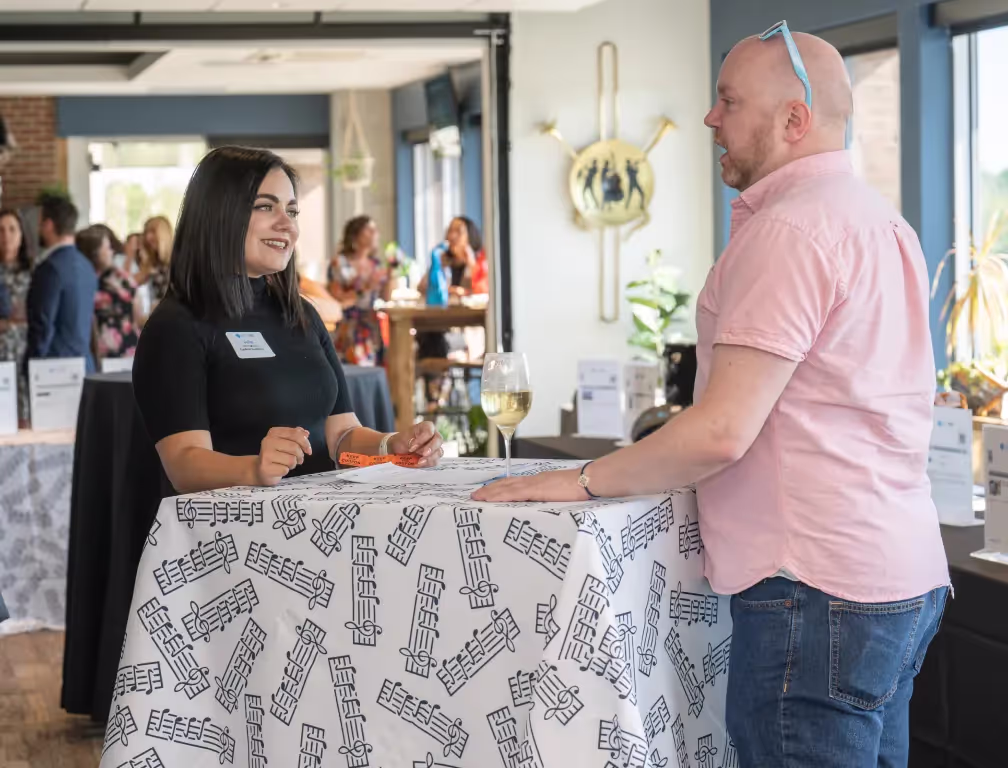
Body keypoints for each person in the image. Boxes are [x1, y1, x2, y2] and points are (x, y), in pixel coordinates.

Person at [474, 27, 949, 768]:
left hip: (814, 586)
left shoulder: (791, 230)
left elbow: (722, 430)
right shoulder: (879, 220)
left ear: (794, 120)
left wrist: (578, 480)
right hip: (898, 574)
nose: (709, 118)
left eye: (728, 100)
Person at [132, 147, 443, 494]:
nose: (287, 224)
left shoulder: (300, 314)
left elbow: (340, 438)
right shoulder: (176, 326)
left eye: (291, 210)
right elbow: (184, 465)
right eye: (266, 206)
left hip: (317, 526)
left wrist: (390, 447)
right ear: (219, 213)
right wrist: (253, 467)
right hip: (231, 535)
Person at [26, 193, 98, 372]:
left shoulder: (49, 268)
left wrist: (31, 365)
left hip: (55, 369)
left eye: (40, 222)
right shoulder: (87, 266)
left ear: (49, 225)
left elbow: (42, 325)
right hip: (85, 365)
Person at [328, 215, 390, 366]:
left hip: (372, 327)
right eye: (370, 230)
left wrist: (391, 276)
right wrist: (366, 287)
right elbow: (337, 299)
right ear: (355, 234)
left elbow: (386, 297)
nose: (375, 233)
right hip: (348, 328)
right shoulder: (340, 263)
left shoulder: (376, 264)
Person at [75, 225, 139, 360]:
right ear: (94, 252)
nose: (112, 252)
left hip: (128, 348)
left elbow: (136, 314)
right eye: (107, 248)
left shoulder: (122, 278)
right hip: (100, 351)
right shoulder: (85, 280)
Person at [0, 208, 35, 422]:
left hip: (25, 353)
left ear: (22, 234)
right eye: (1, 230)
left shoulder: (35, 271)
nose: (6, 236)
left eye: (12, 229)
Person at [139, 215, 173, 305]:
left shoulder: (178, 261)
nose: (148, 237)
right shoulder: (153, 263)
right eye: (146, 233)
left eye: (153, 232)